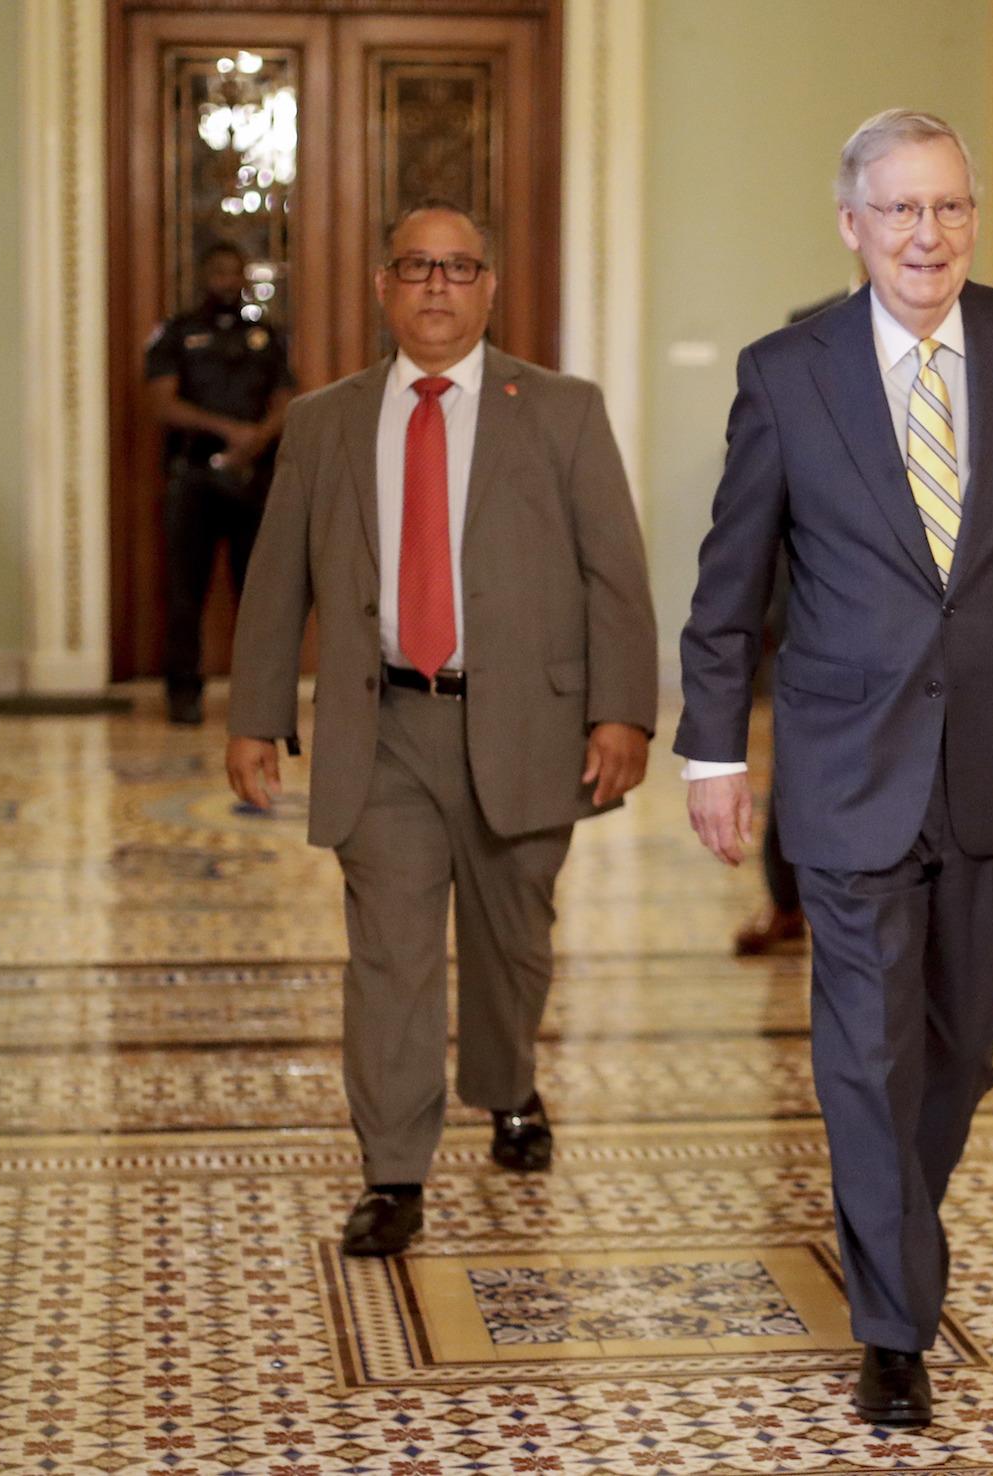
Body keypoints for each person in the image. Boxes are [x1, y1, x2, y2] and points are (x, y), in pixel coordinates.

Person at [677, 111, 993, 1427]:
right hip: (846, 757)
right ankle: (896, 1321)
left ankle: (892, 1226)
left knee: (963, 1050)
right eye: (900, 211)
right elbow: (733, 583)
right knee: (866, 1050)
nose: (926, 236)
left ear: (971, 220)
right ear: (852, 225)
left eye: (947, 209)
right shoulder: (787, 373)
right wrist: (714, 748)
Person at [226, 200, 657, 1258]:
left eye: (458, 268)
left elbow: (616, 575)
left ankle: (508, 1086)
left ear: (489, 289)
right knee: (390, 955)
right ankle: (393, 1172)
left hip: (523, 727)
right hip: (384, 729)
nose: (434, 286)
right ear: (383, 285)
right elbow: (277, 578)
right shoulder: (326, 421)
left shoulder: (559, 410)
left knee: (512, 947)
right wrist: (255, 715)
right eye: (415, 266)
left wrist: (622, 713)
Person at [733, 287, 852, 959]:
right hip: (808, 613)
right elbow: (766, 515)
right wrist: (769, 612)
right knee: (796, 766)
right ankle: (786, 902)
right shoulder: (798, 355)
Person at [145, 240, 296, 726]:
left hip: (252, 479)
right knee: (185, 592)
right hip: (193, 478)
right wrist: (228, 431)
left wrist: (254, 441)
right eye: (218, 272)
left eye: (235, 274)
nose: (226, 282)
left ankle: (259, 696)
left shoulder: (265, 336)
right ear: (204, 275)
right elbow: (161, 403)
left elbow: (288, 399)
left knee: (258, 594)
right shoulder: (177, 333)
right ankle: (183, 694)